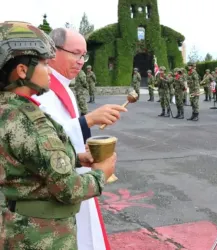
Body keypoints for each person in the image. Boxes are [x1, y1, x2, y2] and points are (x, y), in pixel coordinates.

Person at [0, 21, 117, 249]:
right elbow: (68, 188)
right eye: (44, 63)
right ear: (23, 71)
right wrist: (102, 174)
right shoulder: (29, 120)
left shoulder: (7, 108)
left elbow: (27, 157)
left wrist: (74, 157)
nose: (49, 70)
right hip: (43, 235)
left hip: (15, 227)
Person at [33, 27, 126, 250]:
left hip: (73, 173)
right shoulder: (39, 89)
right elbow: (42, 138)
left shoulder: (64, 86)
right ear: (53, 51)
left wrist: (83, 151)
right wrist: (89, 120)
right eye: (75, 53)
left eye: (84, 55)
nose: (81, 61)